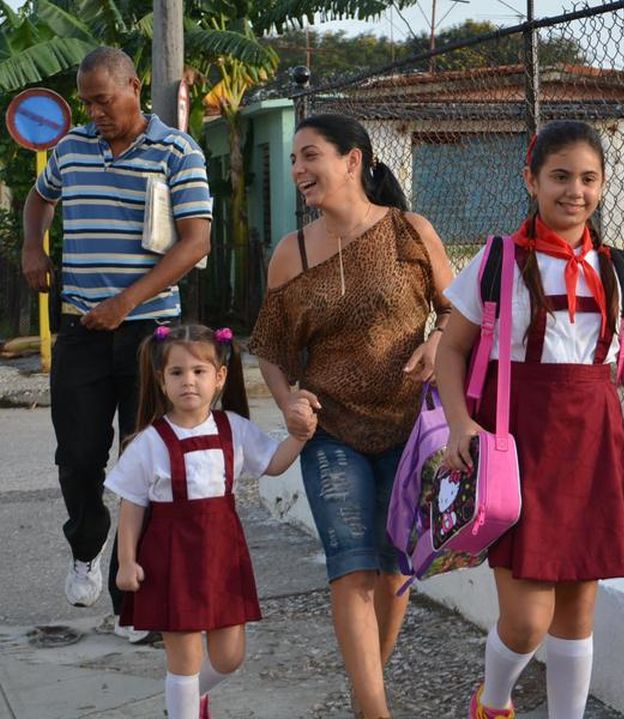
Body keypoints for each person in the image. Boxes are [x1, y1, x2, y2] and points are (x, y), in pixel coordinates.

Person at [435, 120, 624, 719]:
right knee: (525, 622)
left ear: (602, 185)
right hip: (515, 445)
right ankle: (492, 703)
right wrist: (459, 423)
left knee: (577, 612)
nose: (575, 190)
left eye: (589, 178)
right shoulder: (495, 261)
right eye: (560, 176)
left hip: (594, 446)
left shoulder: (621, 269)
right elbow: (450, 350)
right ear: (532, 180)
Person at [249, 113, 454, 719]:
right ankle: (374, 711)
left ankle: (370, 689)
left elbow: (457, 313)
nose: (298, 170)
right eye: (293, 160)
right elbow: (272, 349)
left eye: (310, 155)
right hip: (330, 430)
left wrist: (438, 341)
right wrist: (289, 401)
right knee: (351, 567)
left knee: (393, 570)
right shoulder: (292, 252)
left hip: (409, 427)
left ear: (352, 161)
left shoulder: (410, 232)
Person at [21, 47, 212, 638]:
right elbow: (39, 198)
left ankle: (133, 603)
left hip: (149, 334)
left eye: (103, 100)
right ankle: (86, 545)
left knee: (144, 464)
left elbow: (195, 241)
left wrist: (126, 302)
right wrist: (33, 245)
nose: (95, 112)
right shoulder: (72, 150)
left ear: (133, 86)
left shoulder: (177, 152)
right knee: (78, 459)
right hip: (81, 329)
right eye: (87, 103)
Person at [104, 324, 315, 719]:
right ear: (160, 380)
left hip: (222, 560)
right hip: (170, 562)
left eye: (199, 372)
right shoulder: (148, 442)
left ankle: (181, 702)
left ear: (219, 377)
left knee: (230, 657)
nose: (189, 382)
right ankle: (183, 707)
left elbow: (273, 463)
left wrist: (300, 438)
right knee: (183, 659)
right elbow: (131, 506)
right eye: (177, 373)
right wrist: (127, 561)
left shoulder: (233, 428)